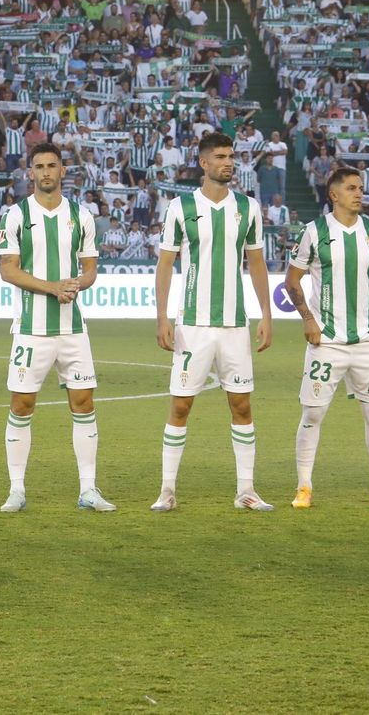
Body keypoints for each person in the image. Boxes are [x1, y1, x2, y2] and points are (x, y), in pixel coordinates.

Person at [151, 131, 274, 512]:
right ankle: (167, 491)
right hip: (193, 324)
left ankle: (246, 491)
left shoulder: (248, 207)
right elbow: (166, 265)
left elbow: (256, 263)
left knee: (241, 406)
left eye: (231, 156)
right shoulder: (180, 208)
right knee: (181, 407)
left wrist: (266, 314)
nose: (229, 162)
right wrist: (162, 318)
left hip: (235, 324)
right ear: (203, 163)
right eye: (220, 157)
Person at [0, 143, 115, 513]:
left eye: (52, 165)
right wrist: (52, 287)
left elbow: (91, 269)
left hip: (73, 328)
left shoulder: (82, 216)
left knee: (83, 403)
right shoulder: (15, 215)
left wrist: (76, 284)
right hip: (31, 328)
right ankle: (16, 490)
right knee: (22, 403)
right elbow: (8, 270)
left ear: (63, 170)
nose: (46, 172)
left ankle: (88, 489)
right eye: (39, 166)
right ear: (30, 172)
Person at [282, 167, 369, 510]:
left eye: (361, 188)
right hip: (328, 340)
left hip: (368, 340)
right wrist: (308, 319)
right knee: (313, 413)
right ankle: (304, 486)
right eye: (351, 188)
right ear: (333, 195)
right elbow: (292, 281)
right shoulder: (314, 232)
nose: (359, 193)